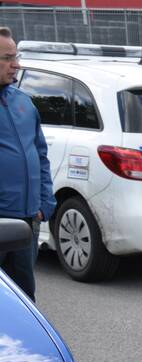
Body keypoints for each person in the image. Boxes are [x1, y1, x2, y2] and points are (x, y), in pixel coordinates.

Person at [0, 27, 55, 302]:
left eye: (16, 56)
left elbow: (40, 155)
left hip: (26, 223)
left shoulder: (23, 102)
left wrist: (44, 205)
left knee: (23, 301)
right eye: (8, 57)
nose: (16, 64)